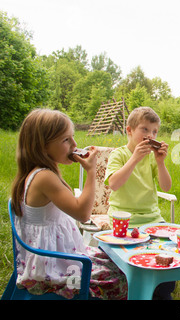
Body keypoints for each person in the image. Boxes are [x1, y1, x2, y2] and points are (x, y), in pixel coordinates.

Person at [11, 109, 128, 299]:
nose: (74, 145)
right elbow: (83, 214)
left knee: (114, 260)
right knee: (121, 277)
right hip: (52, 268)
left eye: (72, 137)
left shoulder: (39, 172)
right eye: (66, 140)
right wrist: (91, 171)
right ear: (42, 146)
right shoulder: (44, 177)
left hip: (56, 256)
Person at [104, 106, 174, 299]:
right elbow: (114, 184)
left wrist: (160, 162)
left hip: (152, 218)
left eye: (154, 132)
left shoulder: (152, 157)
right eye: (144, 129)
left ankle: (160, 290)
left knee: (167, 257)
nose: (149, 135)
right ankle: (141, 288)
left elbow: (166, 187)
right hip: (124, 220)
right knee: (137, 260)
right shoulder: (119, 154)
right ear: (129, 130)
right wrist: (134, 158)